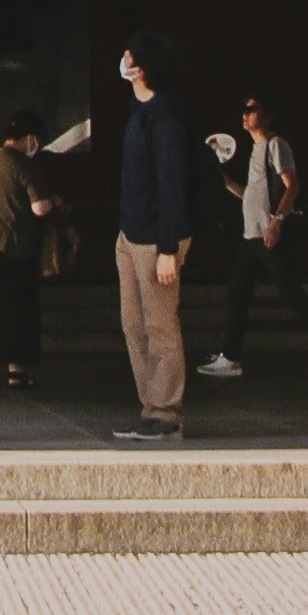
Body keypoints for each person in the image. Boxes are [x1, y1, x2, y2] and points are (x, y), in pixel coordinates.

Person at [199, 91, 308, 382]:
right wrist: (225, 181)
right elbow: (252, 195)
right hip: (251, 239)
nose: (245, 114)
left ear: (268, 115)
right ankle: (229, 357)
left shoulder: (276, 145)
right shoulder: (256, 149)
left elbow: (292, 185)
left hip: (267, 237)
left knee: (292, 294)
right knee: (237, 294)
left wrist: (277, 222)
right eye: (244, 109)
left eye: (252, 109)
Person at [109, 41, 197, 440]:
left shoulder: (165, 117)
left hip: (156, 238)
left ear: (141, 66)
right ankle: (151, 406)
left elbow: (171, 183)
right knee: (134, 323)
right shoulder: (139, 111)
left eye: (129, 55)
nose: (123, 60)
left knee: (159, 324)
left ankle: (166, 411)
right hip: (131, 234)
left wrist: (167, 248)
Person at [0, 111, 59, 390]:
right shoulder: (23, 165)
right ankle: (16, 370)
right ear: (29, 138)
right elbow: (39, 207)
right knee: (18, 309)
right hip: (16, 247)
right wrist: (55, 202)